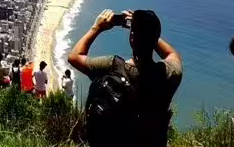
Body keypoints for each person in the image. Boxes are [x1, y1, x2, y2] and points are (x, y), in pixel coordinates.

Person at [67, 9, 183, 147]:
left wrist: (96, 28)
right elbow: (172, 54)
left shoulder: (112, 66)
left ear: (132, 38)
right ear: (156, 37)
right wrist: (148, 32)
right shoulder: (169, 74)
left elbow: (74, 57)